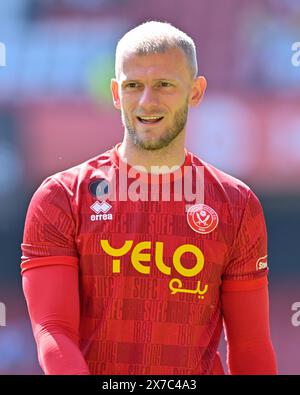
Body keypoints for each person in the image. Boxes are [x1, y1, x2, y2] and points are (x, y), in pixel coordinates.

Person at [21, 21, 277, 375]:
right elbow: (53, 331)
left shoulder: (237, 204)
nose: (147, 100)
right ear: (114, 92)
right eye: (133, 86)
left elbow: (251, 346)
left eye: (164, 85)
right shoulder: (61, 197)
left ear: (196, 91)